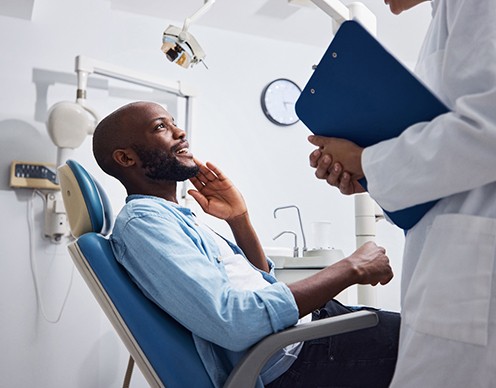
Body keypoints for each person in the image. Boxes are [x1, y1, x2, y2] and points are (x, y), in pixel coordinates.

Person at [92, 100, 400, 388]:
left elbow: (258, 285)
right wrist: (351, 268)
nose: (180, 131)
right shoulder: (144, 223)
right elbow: (235, 321)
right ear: (125, 157)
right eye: (161, 127)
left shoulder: (169, 217)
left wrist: (239, 219)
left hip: (305, 336)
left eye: (173, 123)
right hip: (297, 356)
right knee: (439, 344)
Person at [308, 0, 496, 387]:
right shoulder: (444, 19)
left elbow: (488, 129)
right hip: (453, 258)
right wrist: (367, 176)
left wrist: (368, 162)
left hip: (474, 267)